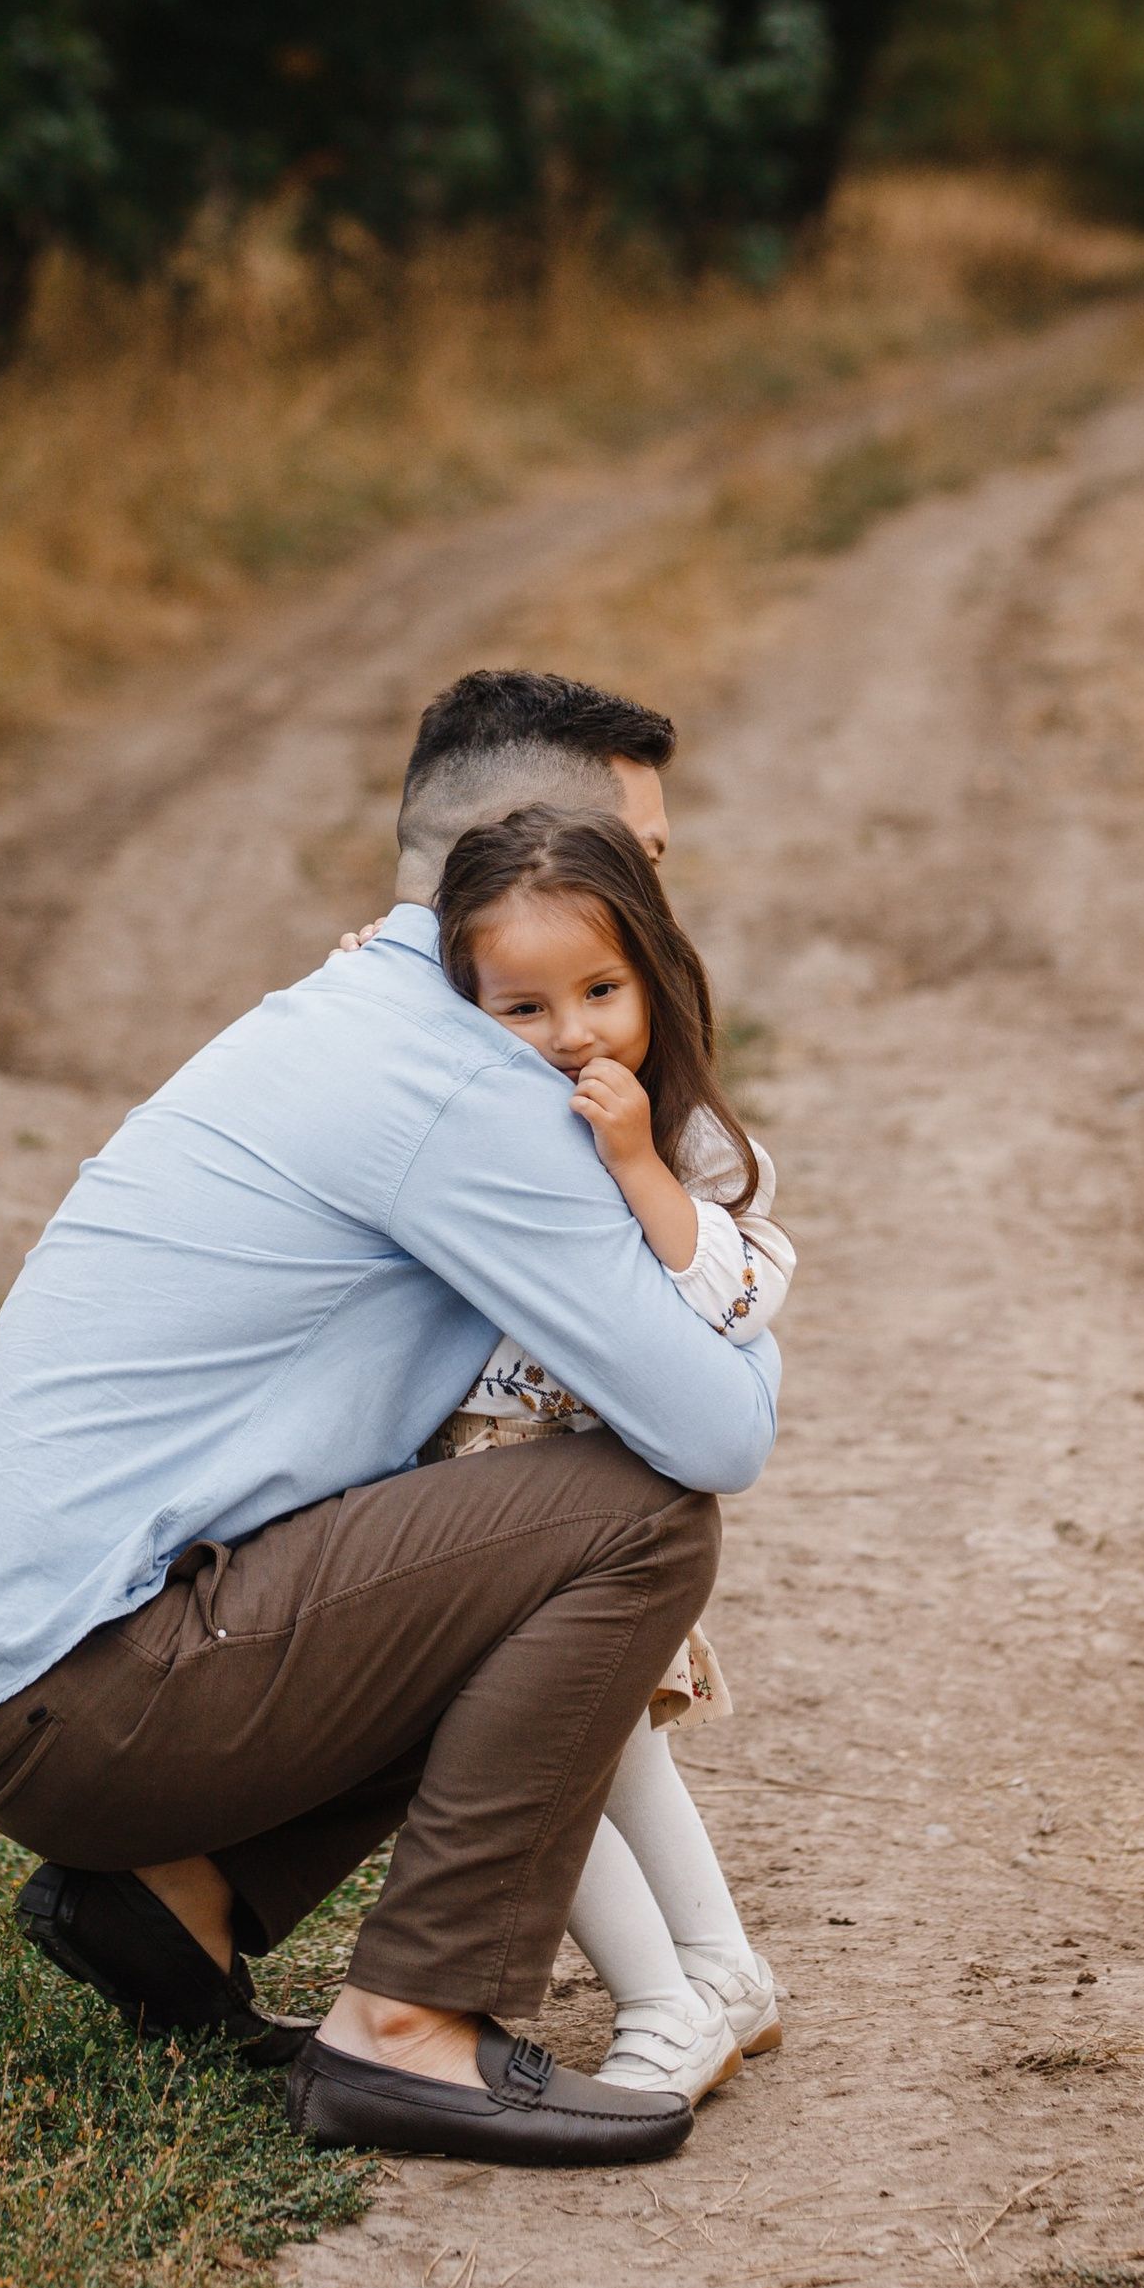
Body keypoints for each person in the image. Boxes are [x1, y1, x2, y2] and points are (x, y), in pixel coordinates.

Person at [0, 670, 779, 2166]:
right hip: (92, 1699)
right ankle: (414, 2023)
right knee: (629, 1517)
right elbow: (715, 1433)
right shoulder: (467, 1083)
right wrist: (734, 1306)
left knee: (488, 1529)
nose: (659, 898)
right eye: (640, 856)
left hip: (44, 1682)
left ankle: (184, 1896)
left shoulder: (364, 1014)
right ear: (530, 862)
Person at [428, 805, 791, 2107]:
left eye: (601, 988)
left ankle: (664, 2004)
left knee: (524, 1738)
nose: (573, 1030)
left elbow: (739, 1301)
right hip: (478, 1491)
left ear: (653, 976)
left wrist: (637, 1163)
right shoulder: (462, 1127)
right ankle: (721, 1968)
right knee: (608, 1743)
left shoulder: (679, 1137)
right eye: (522, 1005)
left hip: (588, 1501)